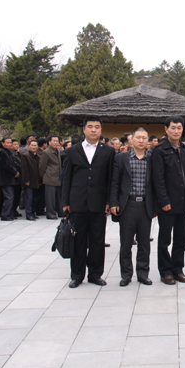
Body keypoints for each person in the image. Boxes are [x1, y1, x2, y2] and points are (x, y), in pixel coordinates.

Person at [62, 116, 115, 288]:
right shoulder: (72, 151)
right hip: (77, 203)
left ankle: (95, 274)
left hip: (98, 203)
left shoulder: (108, 151)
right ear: (83, 129)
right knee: (78, 240)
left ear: (101, 130)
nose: (93, 130)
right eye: (90, 127)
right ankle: (77, 275)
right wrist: (65, 201)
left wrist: (109, 201)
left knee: (97, 241)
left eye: (97, 127)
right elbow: (67, 178)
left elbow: (110, 179)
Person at [152, 116, 185, 285]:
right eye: (173, 128)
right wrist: (163, 200)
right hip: (168, 204)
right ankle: (165, 271)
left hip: (184, 203)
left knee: (181, 239)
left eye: (179, 128)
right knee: (164, 240)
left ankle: (178, 269)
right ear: (166, 129)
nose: (176, 131)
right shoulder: (159, 150)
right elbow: (158, 179)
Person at [110, 127, 154, 287]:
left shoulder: (152, 158)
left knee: (144, 243)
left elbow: (156, 183)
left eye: (144, 138)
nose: (141, 140)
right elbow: (114, 182)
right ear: (132, 139)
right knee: (126, 243)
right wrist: (114, 202)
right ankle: (126, 275)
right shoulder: (121, 158)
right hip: (127, 205)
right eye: (138, 137)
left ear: (147, 140)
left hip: (145, 206)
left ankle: (143, 274)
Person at [40, 135, 63, 220]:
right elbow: (42, 166)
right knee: (50, 198)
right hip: (49, 177)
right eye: (54, 141)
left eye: (57, 141)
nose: (56, 143)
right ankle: (50, 213)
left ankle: (60, 212)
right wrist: (42, 177)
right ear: (49, 142)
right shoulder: (46, 152)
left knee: (58, 197)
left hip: (57, 177)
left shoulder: (57, 150)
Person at [0, 138, 19, 221]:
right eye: (7, 143)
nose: (9, 144)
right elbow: (6, 165)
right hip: (5, 178)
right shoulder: (1, 152)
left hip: (10, 178)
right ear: (2, 143)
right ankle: (5, 215)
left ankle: (10, 214)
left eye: (10, 143)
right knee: (8, 197)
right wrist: (14, 172)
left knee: (11, 197)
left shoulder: (9, 152)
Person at [21, 139, 41, 221]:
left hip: (36, 180)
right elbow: (24, 169)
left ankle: (33, 212)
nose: (34, 147)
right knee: (29, 198)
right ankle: (28, 214)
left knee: (35, 198)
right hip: (29, 180)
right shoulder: (25, 156)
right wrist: (26, 180)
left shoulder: (38, 156)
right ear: (29, 146)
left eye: (35, 145)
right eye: (32, 145)